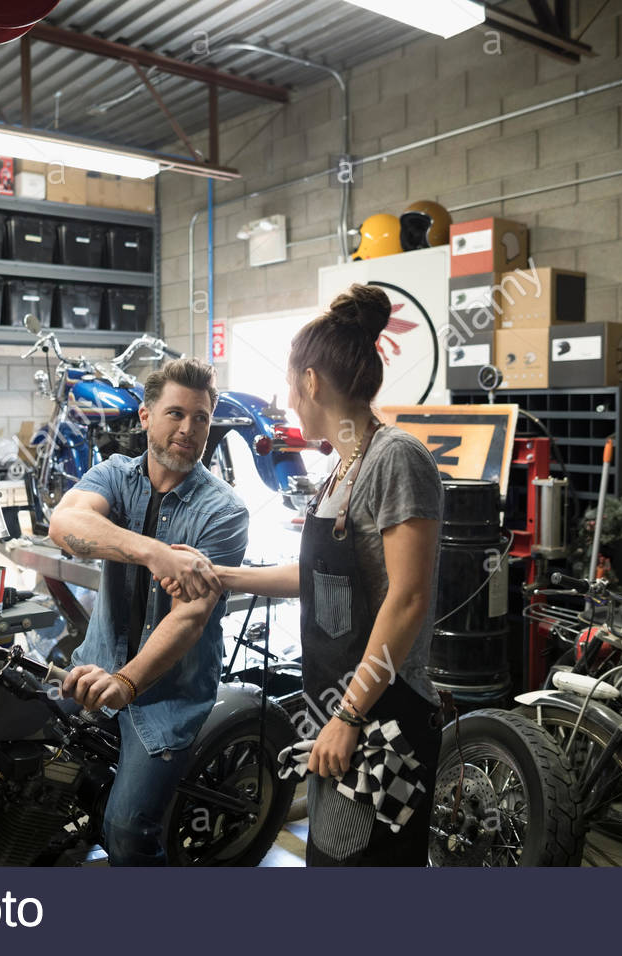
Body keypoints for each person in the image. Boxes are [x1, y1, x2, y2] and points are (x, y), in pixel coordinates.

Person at [165, 284, 444, 866]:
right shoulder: (341, 466)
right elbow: (316, 575)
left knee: (375, 865)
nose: (288, 399)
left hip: (382, 713)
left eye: (291, 384)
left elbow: (409, 599)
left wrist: (349, 715)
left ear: (311, 382)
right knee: (334, 856)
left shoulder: (396, 458)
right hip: (337, 706)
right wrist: (222, 576)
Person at [51, 357, 248, 865]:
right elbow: (66, 524)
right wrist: (152, 550)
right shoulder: (114, 476)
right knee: (24, 760)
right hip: (93, 666)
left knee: (125, 830)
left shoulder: (224, 510)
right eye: (176, 414)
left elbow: (189, 617)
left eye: (201, 418)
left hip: (166, 697)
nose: (189, 429)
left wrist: (127, 683)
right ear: (144, 416)